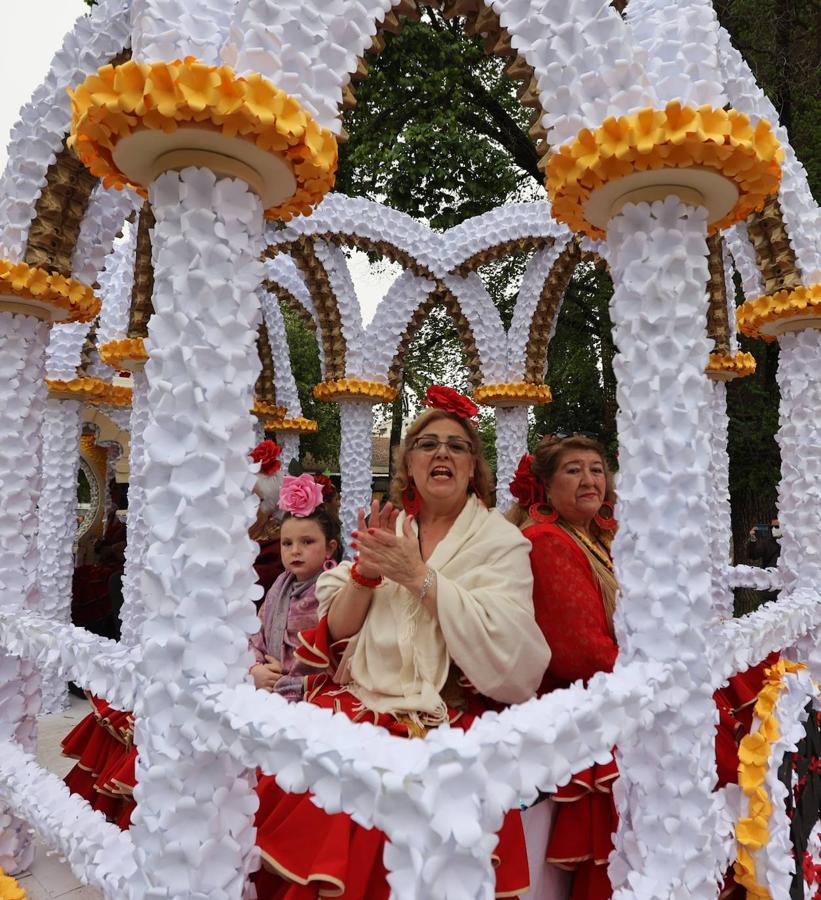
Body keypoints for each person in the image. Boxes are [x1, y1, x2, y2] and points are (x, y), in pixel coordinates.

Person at [253, 386, 551, 899]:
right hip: (358, 698)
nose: (442, 453)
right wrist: (366, 575)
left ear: (473, 467)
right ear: (408, 465)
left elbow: (516, 655)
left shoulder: (502, 543)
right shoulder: (394, 530)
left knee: (378, 796)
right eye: (427, 444)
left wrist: (420, 578)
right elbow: (339, 632)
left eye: (457, 446)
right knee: (300, 778)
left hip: (446, 709)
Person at [509, 436, 777, 900]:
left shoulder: (590, 538)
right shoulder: (546, 542)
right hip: (595, 697)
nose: (590, 479)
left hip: (621, 681)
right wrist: (667, 678)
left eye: (596, 469)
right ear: (545, 488)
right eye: (573, 470)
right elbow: (582, 653)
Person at [250, 473, 340, 700]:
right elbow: (256, 634)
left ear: (329, 548)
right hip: (270, 684)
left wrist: (291, 677)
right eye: (287, 543)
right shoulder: (279, 585)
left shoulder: (335, 588)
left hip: (317, 692)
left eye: (307, 542)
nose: (295, 551)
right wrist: (256, 669)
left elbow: (338, 651)